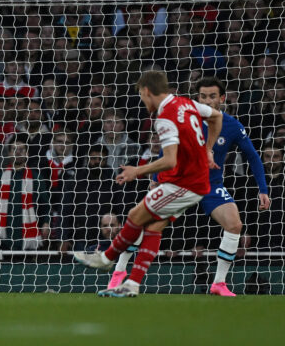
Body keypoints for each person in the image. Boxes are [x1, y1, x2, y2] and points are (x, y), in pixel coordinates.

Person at [107, 77, 271, 297]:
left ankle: (219, 284)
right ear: (198, 98)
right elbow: (165, 151)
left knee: (234, 224)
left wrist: (263, 189)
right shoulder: (184, 118)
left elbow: (252, 157)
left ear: (222, 98)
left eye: (213, 96)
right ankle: (119, 273)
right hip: (178, 183)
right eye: (203, 96)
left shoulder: (231, 125)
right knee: (145, 222)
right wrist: (156, 177)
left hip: (211, 185)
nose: (208, 100)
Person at [74, 70, 223, 297]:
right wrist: (208, 149)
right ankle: (132, 284)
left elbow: (169, 159)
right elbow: (216, 116)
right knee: (153, 228)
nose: (142, 101)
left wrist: (137, 170)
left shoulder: (165, 117)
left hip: (186, 184)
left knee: (135, 215)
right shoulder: (186, 103)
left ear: (146, 91)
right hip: (193, 181)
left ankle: (106, 258)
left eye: (142, 96)